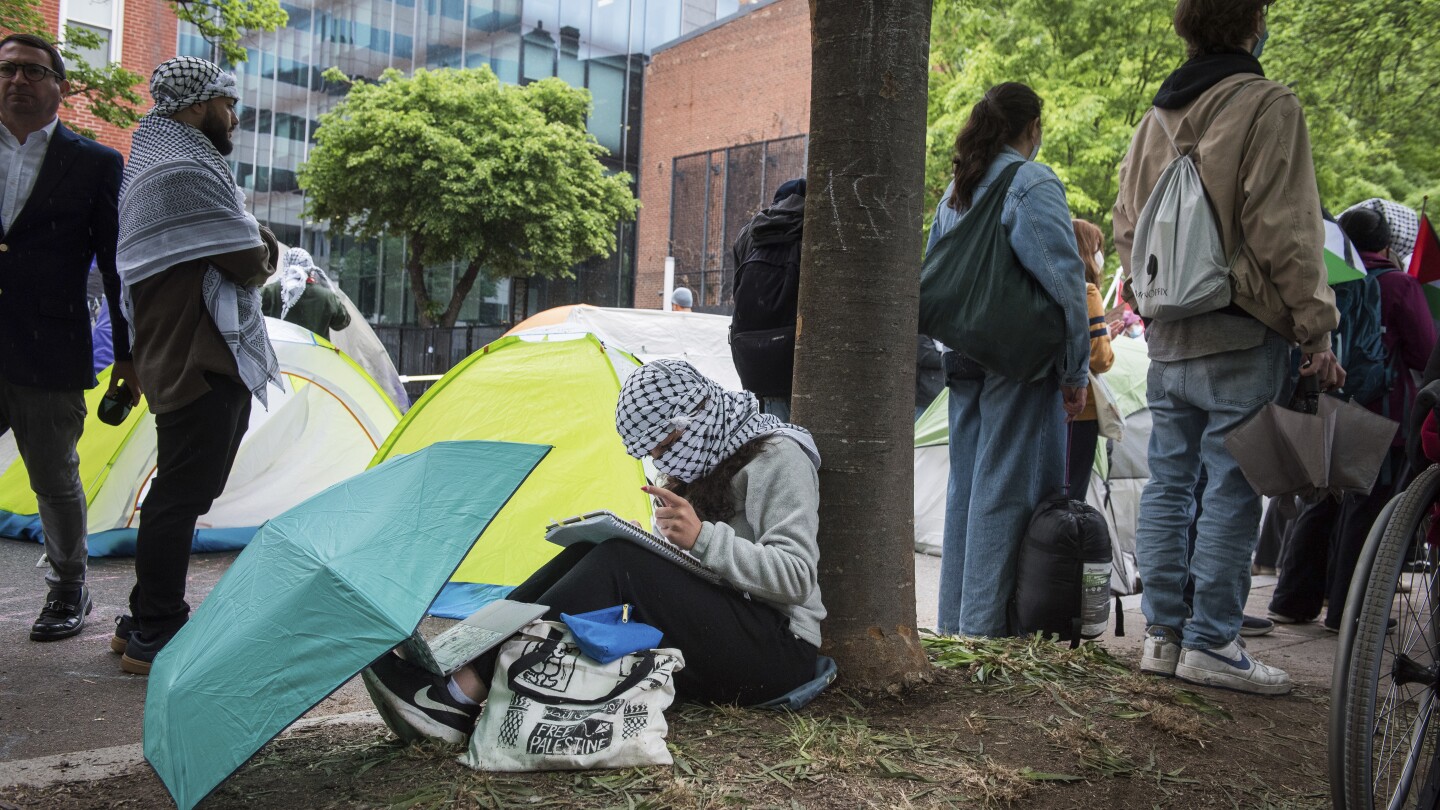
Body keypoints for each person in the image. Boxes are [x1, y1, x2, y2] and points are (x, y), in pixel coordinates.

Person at [362, 359, 825, 744]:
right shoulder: (709, 455)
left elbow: (796, 576)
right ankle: (449, 670)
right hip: (727, 628)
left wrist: (701, 538)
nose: (664, 462)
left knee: (621, 563)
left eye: (667, 445)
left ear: (699, 412)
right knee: (591, 550)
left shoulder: (778, 456)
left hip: (780, 650)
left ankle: (454, 699)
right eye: (654, 454)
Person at [1113, 0, 1343, 695]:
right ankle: (1213, 642)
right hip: (1242, 324)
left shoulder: (1153, 120)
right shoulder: (1268, 104)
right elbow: (1285, 228)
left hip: (1171, 332)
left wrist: (1157, 307)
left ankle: (1162, 636)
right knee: (1233, 487)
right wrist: (1316, 323)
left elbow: (1128, 228)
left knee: (1169, 482)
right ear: (1252, 24)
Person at [114, 56, 283, 674]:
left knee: (180, 490)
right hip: (197, 355)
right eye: (227, 103)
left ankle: (141, 615)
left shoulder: (158, 158)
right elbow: (248, 256)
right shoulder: (184, 168)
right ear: (194, 107)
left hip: (182, 349)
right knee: (181, 495)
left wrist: (250, 235)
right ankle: (157, 630)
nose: (233, 116)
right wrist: (259, 238)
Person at [929, 82, 1090, 637]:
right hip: (1017, 363)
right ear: (1031, 129)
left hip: (964, 357)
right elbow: (1065, 284)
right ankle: (982, 635)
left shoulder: (956, 188)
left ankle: (955, 628)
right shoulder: (1030, 180)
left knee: (965, 494)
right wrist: (1076, 370)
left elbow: (937, 275)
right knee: (1001, 496)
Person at [0, 34, 139, 642]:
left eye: (33, 70)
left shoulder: (97, 163)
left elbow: (116, 267)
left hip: (49, 348)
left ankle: (68, 588)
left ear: (59, 86)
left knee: (54, 476)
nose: (17, 80)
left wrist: (129, 357)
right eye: (7, 69)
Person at [1269, 207, 1436, 630]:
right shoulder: (1397, 284)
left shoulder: (1323, 274)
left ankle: (1292, 599)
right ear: (1384, 245)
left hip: (1323, 399)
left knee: (1320, 499)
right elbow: (1424, 350)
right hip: (1378, 409)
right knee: (1367, 507)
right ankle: (1352, 610)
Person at [730, 178, 805, 421]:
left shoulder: (750, 232)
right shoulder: (815, 227)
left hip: (753, 360)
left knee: (774, 441)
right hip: (795, 356)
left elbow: (736, 291)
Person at [1068, 219, 1115, 495]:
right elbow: (1099, 358)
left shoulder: (1056, 287)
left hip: (1050, 406)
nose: (1100, 256)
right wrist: (1107, 341)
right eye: (1097, 248)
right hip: (1081, 411)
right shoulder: (1088, 291)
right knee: (1073, 493)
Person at [261, 247, 351, 338]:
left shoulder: (269, 291)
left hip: (280, 350)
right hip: (314, 351)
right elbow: (342, 322)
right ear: (310, 268)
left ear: (286, 265)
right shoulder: (327, 296)